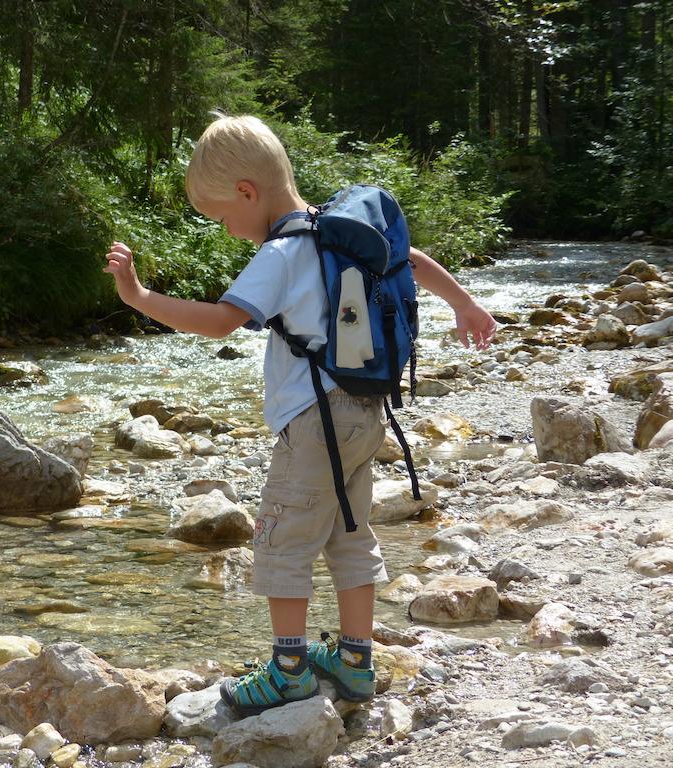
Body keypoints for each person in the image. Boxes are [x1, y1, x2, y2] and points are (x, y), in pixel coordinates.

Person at [104, 114, 497, 716]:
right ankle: (355, 663)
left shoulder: (282, 252)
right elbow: (409, 258)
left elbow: (219, 321)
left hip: (313, 421)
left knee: (281, 541)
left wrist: (138, 297)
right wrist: (465, 304)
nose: (230, 231)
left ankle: (289, 670)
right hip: (366, 411)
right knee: (349, 533)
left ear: (246, 192)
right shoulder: (338, 231)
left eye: (222, 218)